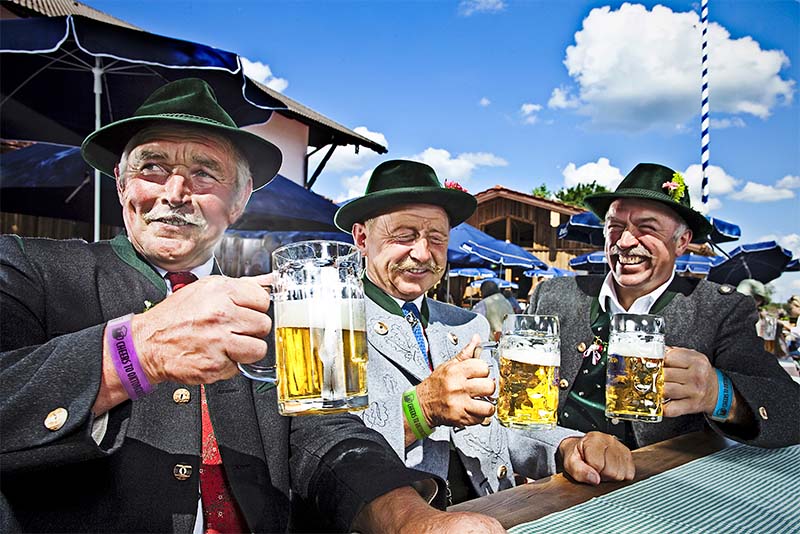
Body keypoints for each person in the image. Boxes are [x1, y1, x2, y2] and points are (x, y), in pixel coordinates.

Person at [0, 80, 501, 533]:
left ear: (239, 201)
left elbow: (325, 433)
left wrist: (409, 521)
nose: (174, 192)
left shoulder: (273, 312)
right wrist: (135, 351)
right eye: (152, 167)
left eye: (204, 173)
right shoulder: (29, 269)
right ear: (122, 183)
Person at [334, 160, 634, 506]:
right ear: (361, 237)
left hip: (495, 511)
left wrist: (569, 447)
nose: (422, 253)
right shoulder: (327, 325)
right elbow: (320, 446)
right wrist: (420, 410)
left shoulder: (468, 325)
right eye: (404, 235)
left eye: (437, 238)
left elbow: (504, 427)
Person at [527, 162, 800, 449]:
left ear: (681, 242)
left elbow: (791, 410)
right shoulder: (554, 294)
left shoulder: (719, 309)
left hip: (657, 483)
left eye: (647, 228)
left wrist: (718, 393)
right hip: (555, 475)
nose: (625, 241)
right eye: (615, 226)